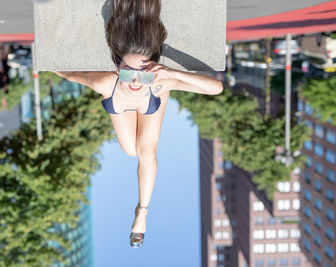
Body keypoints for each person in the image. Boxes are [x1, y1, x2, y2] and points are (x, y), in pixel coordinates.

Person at [54, 0, 223, 248]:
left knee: (144, 152)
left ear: (152, 69)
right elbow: (71, 74)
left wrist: (172, 73)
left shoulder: (158, 82)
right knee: (132, 150)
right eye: (127, 72)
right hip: (119, 102)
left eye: (142, 72)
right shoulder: (106, 83)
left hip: (151, 101)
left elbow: (216, 89)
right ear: (116, 67)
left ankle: (141, 213)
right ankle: (143, 211)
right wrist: (48, 64)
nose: (135, 81)